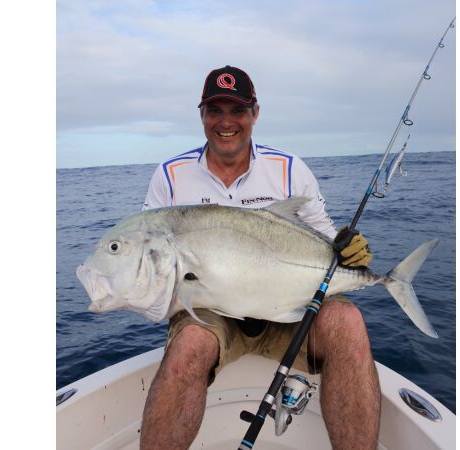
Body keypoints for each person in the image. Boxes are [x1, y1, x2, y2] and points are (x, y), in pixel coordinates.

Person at [140, 66, 381, 450]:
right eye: (215, 111)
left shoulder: (288, 169)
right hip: (211, 311)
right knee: (188, 347)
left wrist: (347, 247)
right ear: (202, 115)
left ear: (254, 113)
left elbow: (326, 236)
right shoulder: (170, 176)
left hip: (289, 307)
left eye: (237, 110)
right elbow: (151, 255)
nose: (226, 122)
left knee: (348, 323)